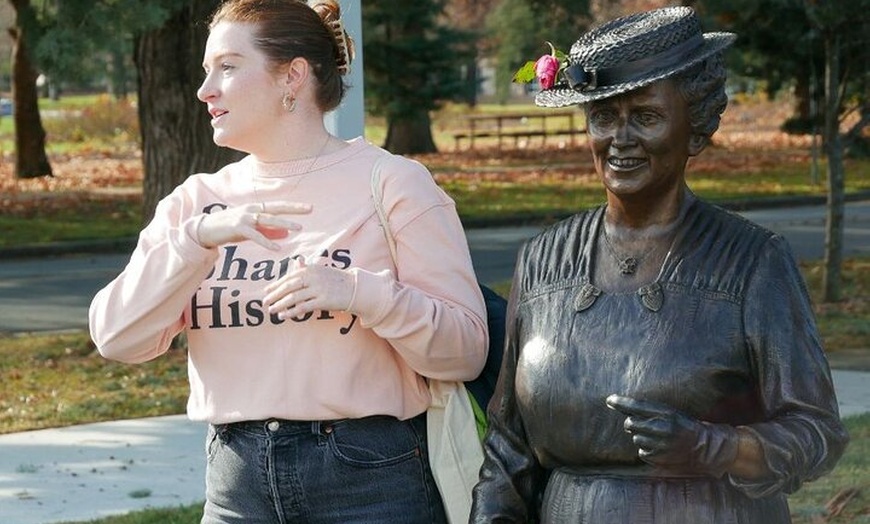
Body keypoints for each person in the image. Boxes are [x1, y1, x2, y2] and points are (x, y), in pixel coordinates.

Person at [89, 0, 488, 522]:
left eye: (227, 67)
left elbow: (465, 352)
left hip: (370, 482)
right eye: (207, 70)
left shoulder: (393, 183)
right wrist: (196, 242)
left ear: (292, 76)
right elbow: (116, 338)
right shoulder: (196, 202)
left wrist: (358, 293)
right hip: (235, 484)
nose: (205, 89)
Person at [470, 6, 848, 523]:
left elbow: (817, 432)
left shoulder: (753, 262)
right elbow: (509, 447)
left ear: (695, 128)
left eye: (645, 116)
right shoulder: (542, 260)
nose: (619, 139)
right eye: (603, 116)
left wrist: (712, 447)